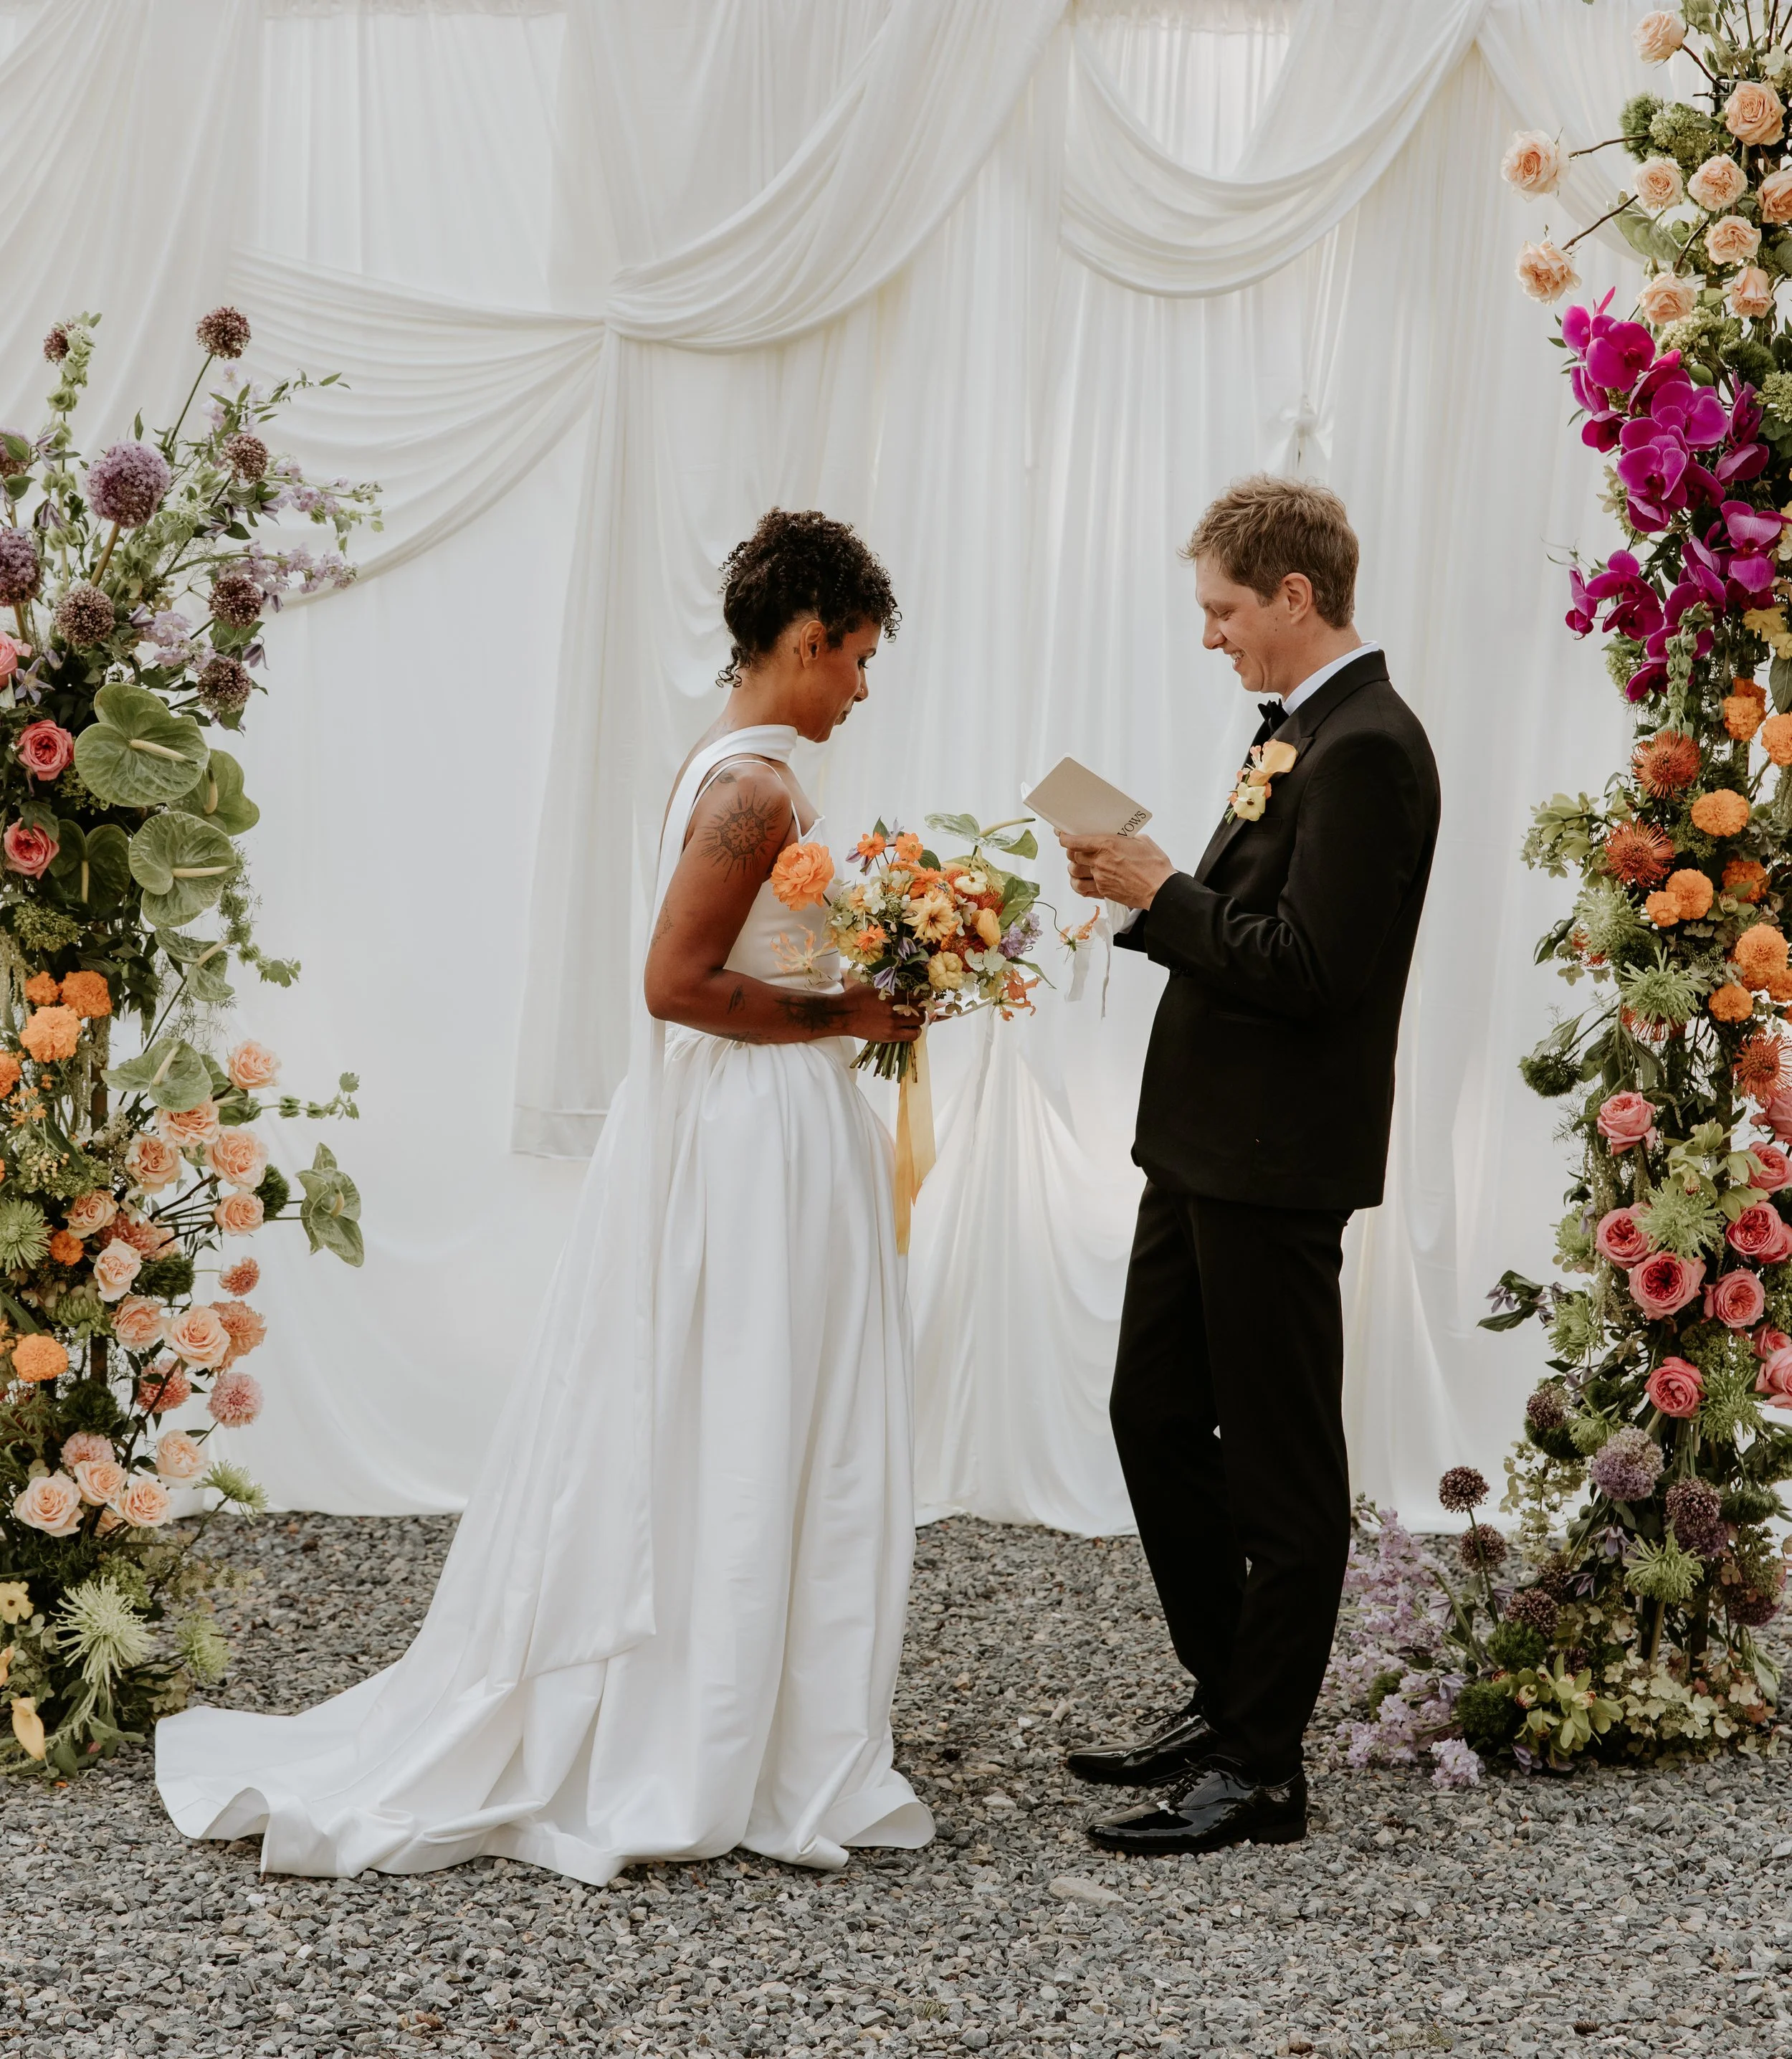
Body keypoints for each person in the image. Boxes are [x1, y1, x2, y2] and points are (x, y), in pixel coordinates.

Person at [156, 509, 936, 1883]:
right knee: (742, 1402)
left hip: (766, 1124)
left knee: (745, 1405)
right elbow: (673, 985)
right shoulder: (749, 789)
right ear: (805, 639)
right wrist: (844, 1010)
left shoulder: (738, 768)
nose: (861, 690)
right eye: (858, 660)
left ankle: (736, 1705)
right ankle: (694, 1728)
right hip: (752, 1134)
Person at [1059, 475, 1439, 1855]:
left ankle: (1266, 1769)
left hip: (1277, 1162)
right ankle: (1227, 1696)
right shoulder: (1300, 730)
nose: (1211, 635)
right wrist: (1148, 895)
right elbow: (1247, 929)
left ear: (1294, 596)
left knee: (1280, 1467)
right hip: (1200, 1148)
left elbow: (1315, 970)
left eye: (1223, 610)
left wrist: (1166, 890)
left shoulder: (1371, 748)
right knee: (1150, 1416)